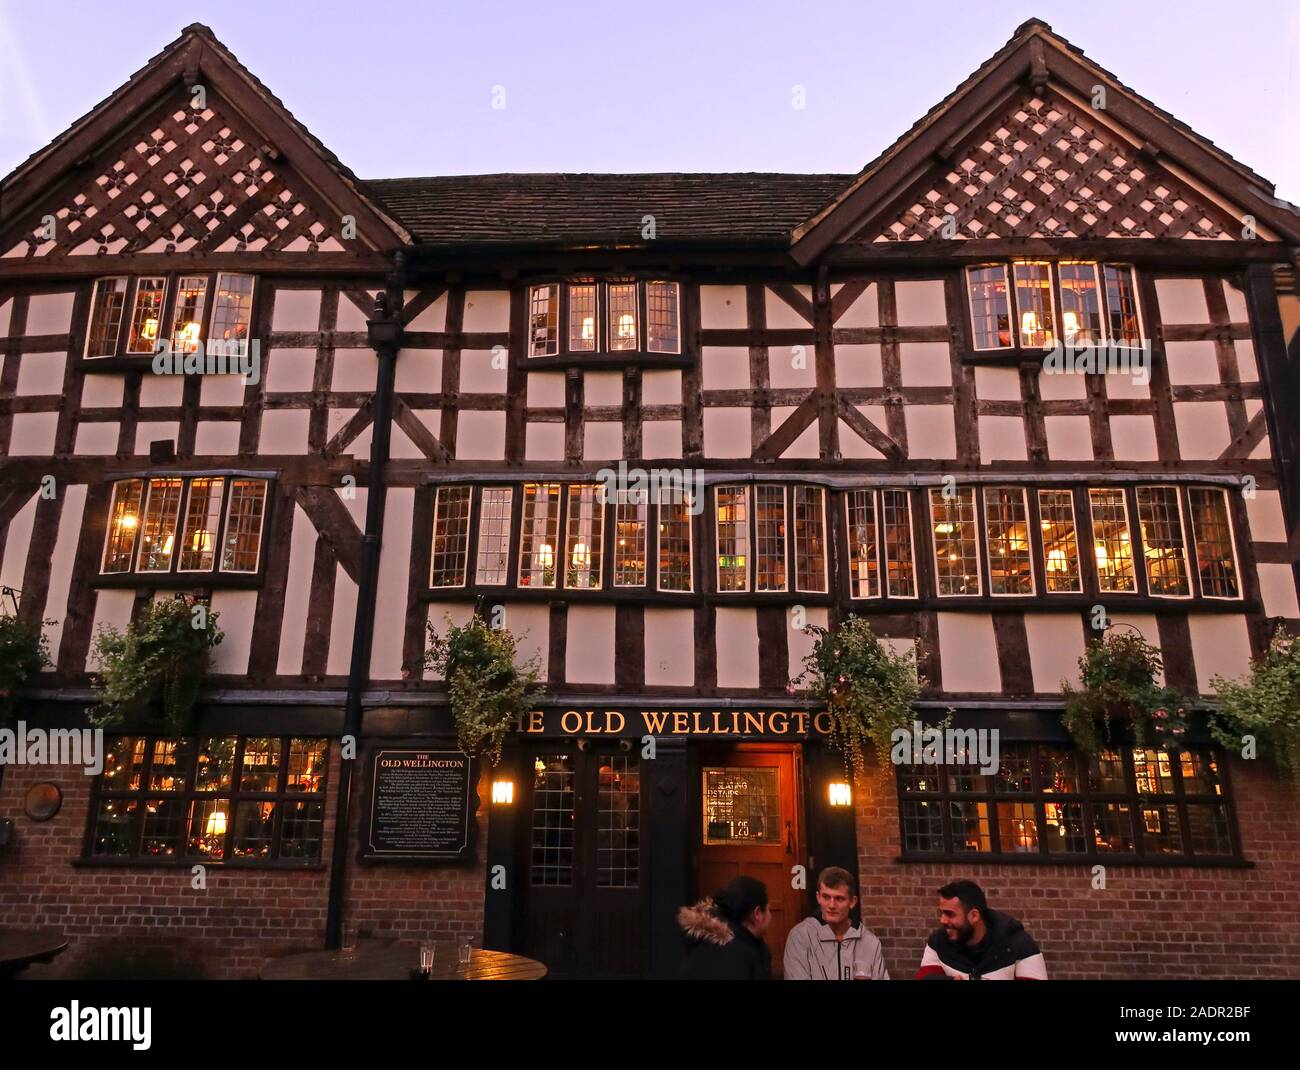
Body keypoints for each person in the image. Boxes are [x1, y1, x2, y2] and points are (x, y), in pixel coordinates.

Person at [915, 879, 1047, 980]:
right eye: (941, 913)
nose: (942, 920)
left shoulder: (1019, 944)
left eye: (950, 914)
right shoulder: (938, 941)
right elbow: (924, 977)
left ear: (974, 915)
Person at [783, 866, 889, 980]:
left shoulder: (870, 943)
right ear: (818, 897)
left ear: (852, 902)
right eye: (826, 897)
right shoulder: (800, 937)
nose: (831, 905)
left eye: (839, 899)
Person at [677, 876, 772, 979]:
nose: (771, 916)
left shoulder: (749, 944)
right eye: (768, 909)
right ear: (757, 913)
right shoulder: (731, 956)